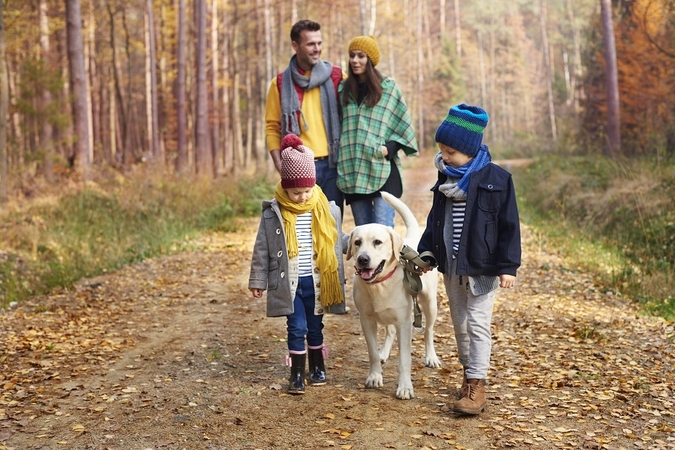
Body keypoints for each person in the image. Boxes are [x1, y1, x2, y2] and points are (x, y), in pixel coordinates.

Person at [417, 104, 521, 415]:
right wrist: (427, 254)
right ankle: (468, 373)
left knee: (477, 324)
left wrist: (508, 266)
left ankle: (477, 383)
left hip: (483, 267)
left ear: (469, 149)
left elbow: (509, 225)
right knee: (460, 325)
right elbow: (436, 220)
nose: (445, 157)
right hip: (452, 266)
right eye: (442, 150)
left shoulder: (497, 179)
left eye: (450, 151)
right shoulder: (445, 178)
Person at [248, 134, 347, 395]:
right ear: (285, 186)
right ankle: (296, 375)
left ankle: (317, 368)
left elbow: (339, 241)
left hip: (316, 282)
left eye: (306, 191)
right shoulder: (274, 213)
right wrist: (258, 281)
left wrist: (361, 251)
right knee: (296, 327)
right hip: (289, 283)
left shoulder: (326, 210)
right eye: (296, 192)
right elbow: (262, 249)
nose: (302, 197)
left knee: (315, 327)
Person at [337, 35, 418, 228]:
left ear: (370, 60)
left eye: (361, 56)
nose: (355, 60)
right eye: (352, 55)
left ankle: (391, 260)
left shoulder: (388, 88)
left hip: (382, 168)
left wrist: (388, 149)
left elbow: (403, 125)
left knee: (383, 231)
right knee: (363, 233)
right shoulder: (343, 90)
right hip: (354, 169)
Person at [265, 19, 345, 214]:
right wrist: (279, 163)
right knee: (302, 228)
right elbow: (272, 127)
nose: (317, 48)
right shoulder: (280, 83)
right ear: (295, 45)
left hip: (333, 164)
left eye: (319, 43)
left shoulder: (336, 76)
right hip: (297, 168)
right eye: (310, 44)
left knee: (332, 225)